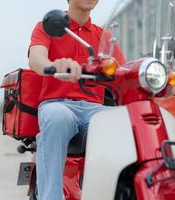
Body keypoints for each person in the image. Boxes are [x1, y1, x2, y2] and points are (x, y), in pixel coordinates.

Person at [28, 0, 125, 199]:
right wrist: (54, 65)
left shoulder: (105, 37)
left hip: (95, 109)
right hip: (58, 103)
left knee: (124, 123)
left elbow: (124, 70)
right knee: (57, 117)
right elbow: (36, 58)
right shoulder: (48, 26)